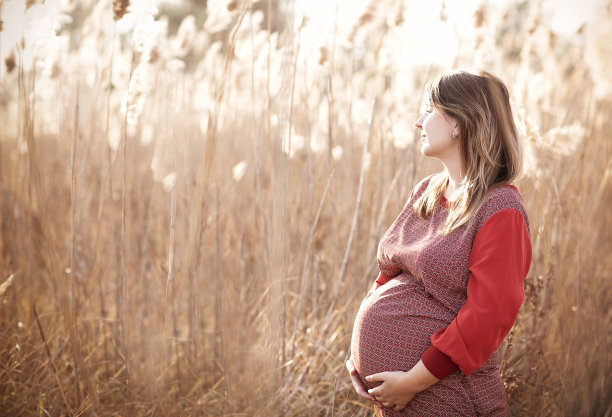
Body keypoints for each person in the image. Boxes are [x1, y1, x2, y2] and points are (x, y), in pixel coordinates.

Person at [346, 70, 532, 416]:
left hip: (451, 396)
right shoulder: (428, 191)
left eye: (429, 110)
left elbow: (488, 317)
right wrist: (357, 361)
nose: (419, 122)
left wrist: (413, 381)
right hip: (402, 395)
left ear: (459, 122)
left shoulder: (500, 208)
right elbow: (390, 275)